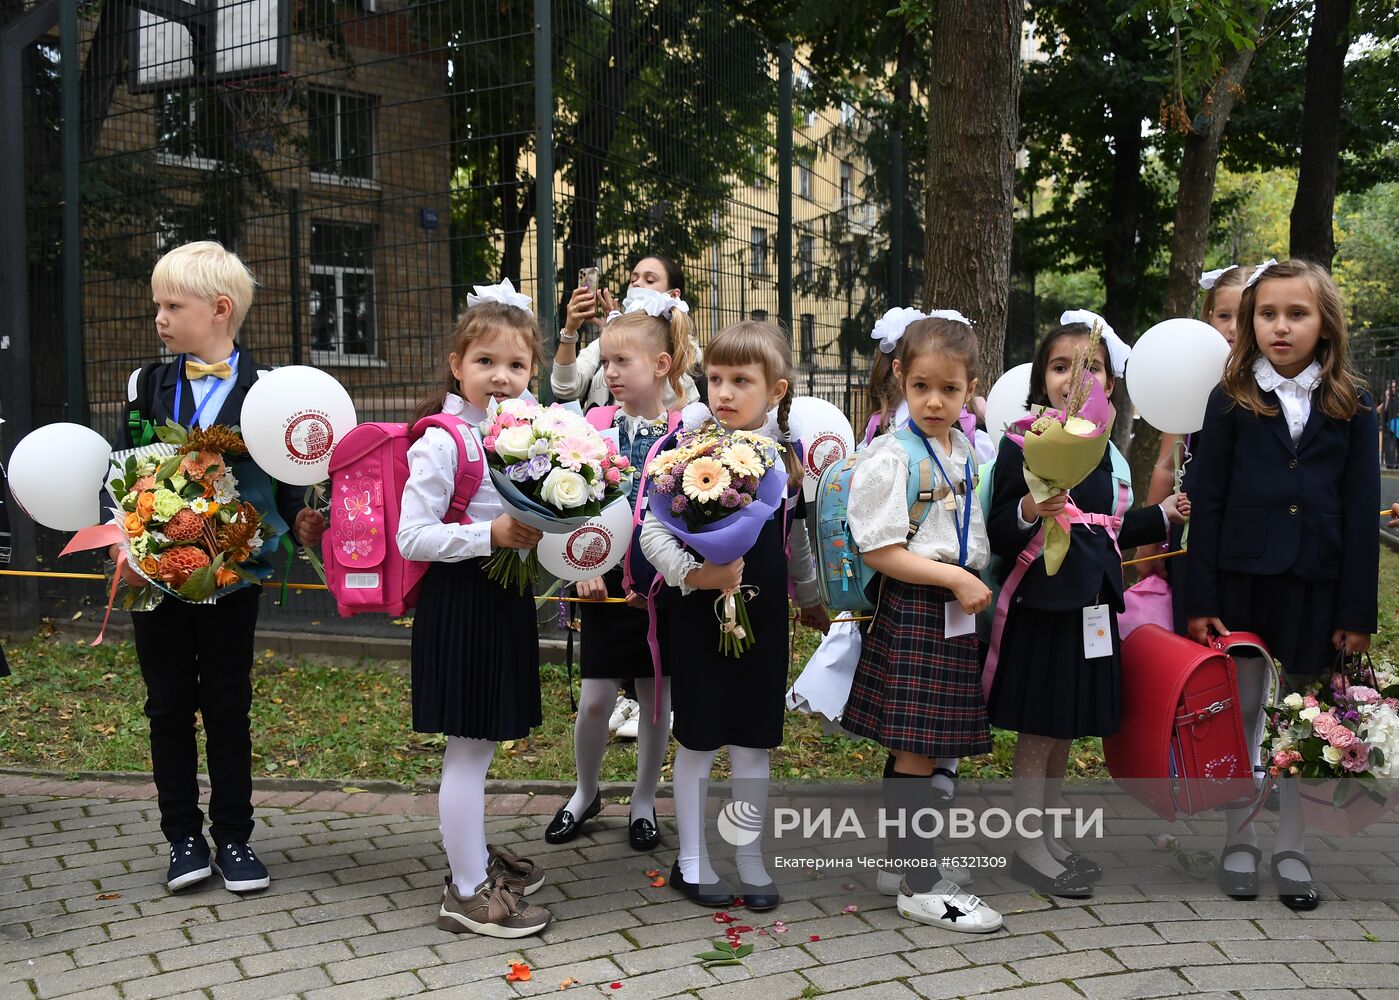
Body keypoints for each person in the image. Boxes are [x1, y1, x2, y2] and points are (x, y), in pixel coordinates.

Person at [107, 242, 324, 894]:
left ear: (219, 310)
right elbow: (128, 464)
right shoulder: (147, 385)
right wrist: (122, 535)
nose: (160, 318)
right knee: (166, 705)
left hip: (234, 574)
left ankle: (233, 838)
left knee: (228, 705)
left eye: (173, 305)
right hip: (154, 572)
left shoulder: (272, 389)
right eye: (158, 306)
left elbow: (290, 484)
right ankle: (182, 839)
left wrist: (300, 523)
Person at [1186, 258, 1380, 912]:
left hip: (1317, 589)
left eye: (1295, 313)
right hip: (1241, 584)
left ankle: (1291, 847)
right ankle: (1237, 840)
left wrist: (1356, 608)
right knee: (1241, 714)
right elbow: (1205, 501)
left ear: (1323, 324)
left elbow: (1360, 514)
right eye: (1266, 313)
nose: (1279, 326)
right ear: (1248, 323)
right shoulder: (1229, 399)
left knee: (1301, 720)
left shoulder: (1351, 406)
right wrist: (1200, 599)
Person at [985, 319, 1188, 898]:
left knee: (1067, 726)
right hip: (1045, 605)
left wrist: (1168, 512)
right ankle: (1026, 848)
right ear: (1039, 380)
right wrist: (1029, 505)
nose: (1076, 377)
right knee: (1039, 730)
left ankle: (1047, 838)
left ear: (1111, 384)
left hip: (1093, 608)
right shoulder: (1022, 440)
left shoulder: (1103, 451)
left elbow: (1109, 528)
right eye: (1060, 366)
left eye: (1090, 366)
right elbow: (1000, 529)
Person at [640, 321, 829, 912]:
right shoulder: (687, 449)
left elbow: (795, 538)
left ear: (776, 390)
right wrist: (698, 575)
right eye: (715, 378)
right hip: (698, 610)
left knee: (752, 741)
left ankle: (748, 855)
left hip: (763, 611)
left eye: (741, 381)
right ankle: (691, 858)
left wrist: (811, 596)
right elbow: (651, 530)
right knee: (697, 736)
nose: (723, 392)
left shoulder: (785, 458)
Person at [840, 311, 1004, 933]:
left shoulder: (960, 448)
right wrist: (958, 579)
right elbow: (878, 550)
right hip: (917, 606)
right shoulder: (890, 456)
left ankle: (903, 864)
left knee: (927, 746)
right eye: (921, 387)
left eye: (950, 389)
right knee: (915, 748)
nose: (935, 401)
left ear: (971, 388)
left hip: (947, 610)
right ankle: (917, 883)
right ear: (900, 378)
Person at [397, 284, 552, 938]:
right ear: (457, 364)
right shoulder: (443, 441)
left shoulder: (531, 436)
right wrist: (485, 537)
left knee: (482, 743)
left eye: (515, 366)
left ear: (531, 375)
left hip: (504, 598)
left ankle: (473, 858)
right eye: (485, 361)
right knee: (468, 749)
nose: (501, 376)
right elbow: (411, 536)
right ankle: (464, 892)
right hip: (461, 602)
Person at [547, 299, 697, 852]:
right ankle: (586, 791)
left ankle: (642, 799)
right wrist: (580, 565)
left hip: (662, 588)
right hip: (602, 584)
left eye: (621, 362)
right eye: (605, 362)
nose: (608, 373)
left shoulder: (690, 432)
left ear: (660, 365)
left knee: (657, 700)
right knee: (594, 700)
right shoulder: (592, 426)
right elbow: (569, 506)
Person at [1137, 263, 1258, 600]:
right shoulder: (1190, 381)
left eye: (1246, 315)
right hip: (1193, 534)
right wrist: (1148, 544)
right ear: (1208, 316)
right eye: (1223, 315)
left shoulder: (1272, 387)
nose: (1234, 328)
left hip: (1252, 536)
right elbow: (1166, 464)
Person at [551, 255, 702, 409]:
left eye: (649, 280)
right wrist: (570, 331)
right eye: (633, 279)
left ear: (674, 295)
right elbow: (565, 387)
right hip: (599, 430)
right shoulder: (604, 340)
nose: (636, 283)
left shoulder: (686, 349)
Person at [1382, 378, 1398, 470]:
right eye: (1390, 387)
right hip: (1388, 427)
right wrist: (1386, 399)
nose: (1393, 388)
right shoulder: (1384, 398)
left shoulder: (1398, 397)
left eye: (1394, 387)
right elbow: (1382, 411)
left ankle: (1397, 465)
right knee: (1390, 447)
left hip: (1397, 426)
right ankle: (1390, 464)